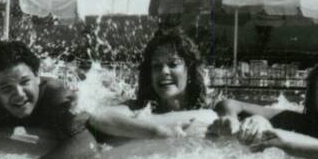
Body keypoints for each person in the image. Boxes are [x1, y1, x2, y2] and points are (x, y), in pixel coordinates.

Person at [87, 26, 219, 141]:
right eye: (156, 66)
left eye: (173, 64)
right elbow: (98, 116)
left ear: (189, 70)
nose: (164, 71)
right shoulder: (140, 107)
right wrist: (161, 132)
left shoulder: (208, 108)